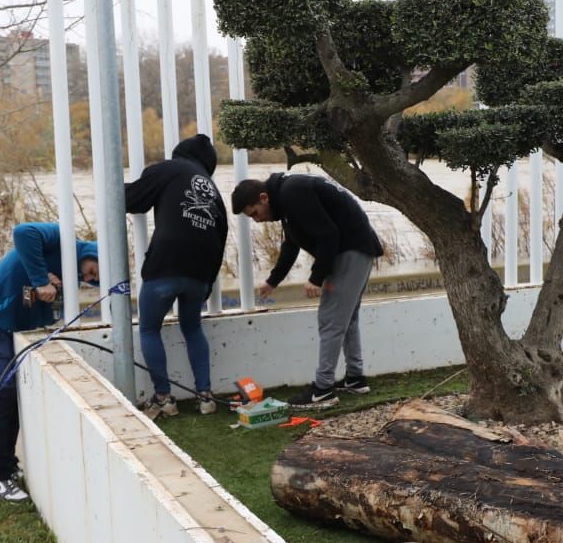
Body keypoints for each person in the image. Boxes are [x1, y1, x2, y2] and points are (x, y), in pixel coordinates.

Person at [0, 222, 99, 502]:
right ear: (96, 253)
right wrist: (40, 281)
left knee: (12, 398)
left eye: (93, 280)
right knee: (2, 397)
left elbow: (40, 308)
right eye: (94, 270)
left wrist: (52, 298)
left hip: (7, 329)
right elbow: (24, 232)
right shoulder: (62, 238)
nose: (90, 276)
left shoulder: (69, 275)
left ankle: (8, 467)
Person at [231, 172, 383, 409]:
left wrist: (316, 278)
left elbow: (328, 234)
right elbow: (291, 245)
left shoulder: (293, 192)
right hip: (358, 249)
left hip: (350, 251)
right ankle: (355, 378)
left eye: (254, 214)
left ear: (263, 198)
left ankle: (322, 391)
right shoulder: (287, 197)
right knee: (347, 318)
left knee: (330, 320)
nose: (257, 221)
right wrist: (273, 281)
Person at [125, 133, 228, 419]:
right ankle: (205, 397)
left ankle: (163, 398)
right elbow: (222, 237)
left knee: (148, 329)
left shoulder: (170, 169)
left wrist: (112, 186)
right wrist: (207, 283)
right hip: (200, 272)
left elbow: (131, 200)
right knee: (192, 328)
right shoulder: (214, 190)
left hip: (166, 265)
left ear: (179, 153)